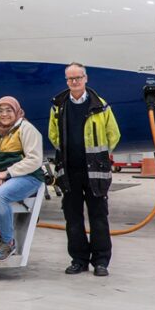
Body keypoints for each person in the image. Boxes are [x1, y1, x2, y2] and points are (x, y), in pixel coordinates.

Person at [49, 63, 121, 277]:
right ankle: (79, 260)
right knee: (73, 218)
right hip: (69, 171)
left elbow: (113, 135)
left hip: (95, 172)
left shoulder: (101, 106)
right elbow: (54, 135)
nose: (74, 82)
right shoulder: (58, 106)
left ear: (86, 78)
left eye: (78, 78)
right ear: (66, 81)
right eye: (70, 79)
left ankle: (101, 261)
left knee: (99, 217)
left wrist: (97, 156)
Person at [0, 97, 45, 261]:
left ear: (17, 111)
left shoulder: (26, 129)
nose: (4, 114)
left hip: (28, 176)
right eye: (0, 110)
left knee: (0, 194)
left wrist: (7, 174)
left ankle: (8, 241)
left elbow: (34, 160)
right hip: (1, 174)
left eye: (9, 110)